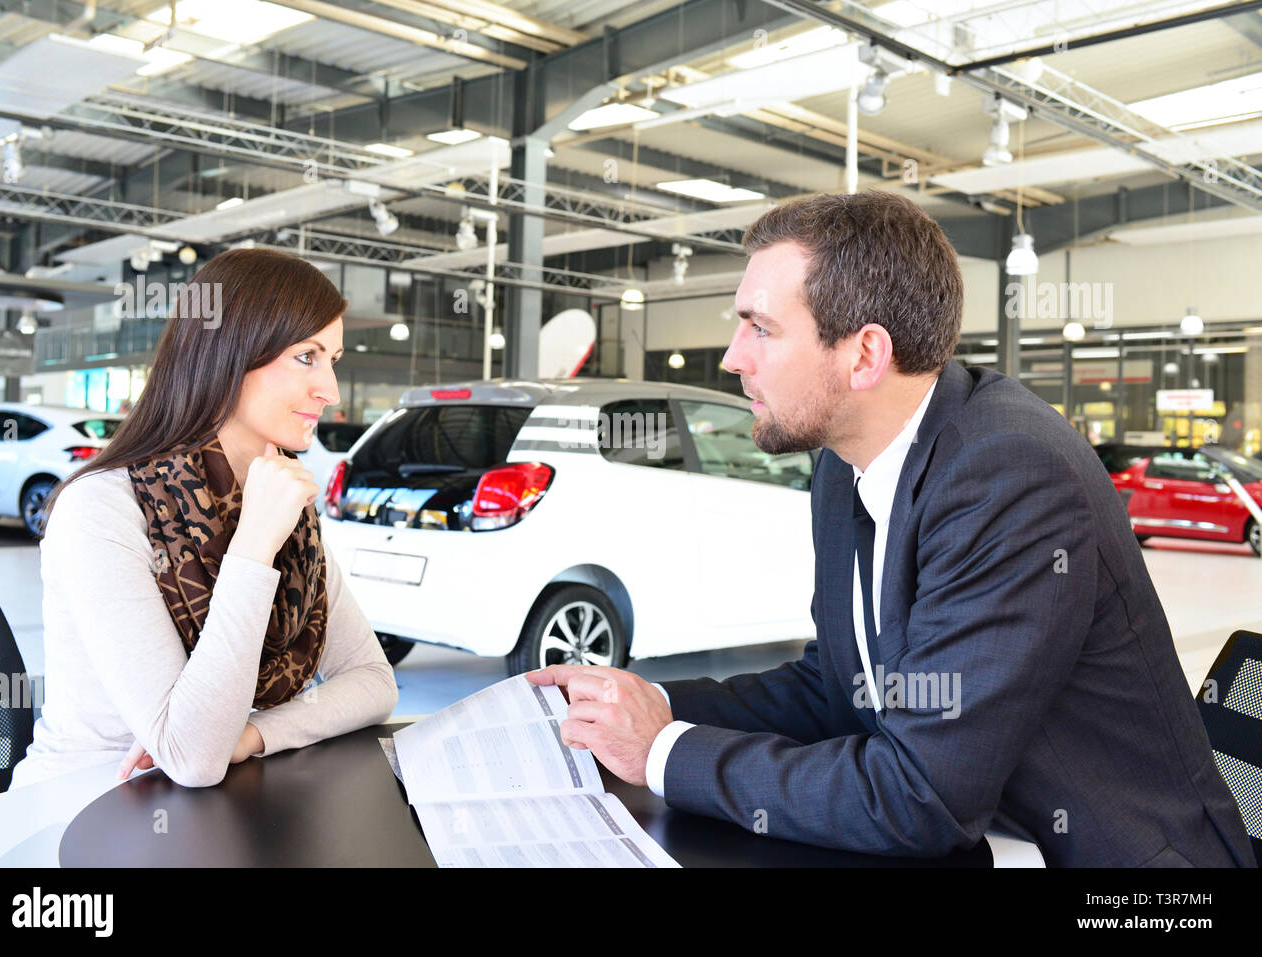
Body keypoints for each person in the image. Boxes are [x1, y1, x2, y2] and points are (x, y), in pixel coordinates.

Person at [528, 190, 1255, 867]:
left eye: (761, 328)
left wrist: (662, 751)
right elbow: (838, 687)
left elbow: (922, 795)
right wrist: (635, 709)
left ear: (866, 355)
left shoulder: (1011, 475)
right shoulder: (846, 462)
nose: (732, 358)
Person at [10, 248, 398, 789]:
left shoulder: (281, 497)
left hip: (223, 802)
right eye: (306, 357)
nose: (330, 391)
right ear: (229, 354)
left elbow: (373, 680)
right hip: (85, 799)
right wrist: (255, 545)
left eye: (333, 360)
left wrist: (253, 735)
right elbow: (191, 756)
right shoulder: (102, 508)